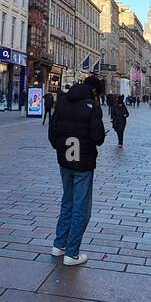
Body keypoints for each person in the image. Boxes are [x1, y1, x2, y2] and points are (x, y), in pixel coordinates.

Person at [48, 75, 106, 266]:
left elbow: (52, 131)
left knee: (67, 200)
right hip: (84, 161)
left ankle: (59, 245)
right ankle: (72, 252)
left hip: (64, 159)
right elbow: (98, 137)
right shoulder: (92, 106)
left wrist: (60, 147)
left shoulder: (63, 101)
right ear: (95, 91)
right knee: (81, 206)